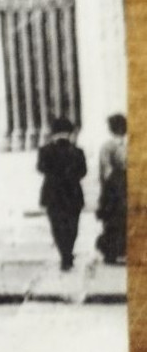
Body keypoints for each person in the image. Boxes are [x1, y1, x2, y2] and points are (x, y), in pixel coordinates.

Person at [37, 116, 88, 271]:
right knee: (72, 225)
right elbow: (83, 172)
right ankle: (69, 252)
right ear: (70, 132)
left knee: (57, 226)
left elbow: (40, 168)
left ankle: (64, 255)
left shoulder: (45, 150)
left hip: (52, 193)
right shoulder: (78, 151)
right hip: (73, 193)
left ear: (53, 133)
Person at [96, 114, 127, 265]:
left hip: (113, 191)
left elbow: (105, 172)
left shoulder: (107, 147)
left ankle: (112, 252)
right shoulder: (127, 145)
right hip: (124, 189)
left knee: (113, 222)